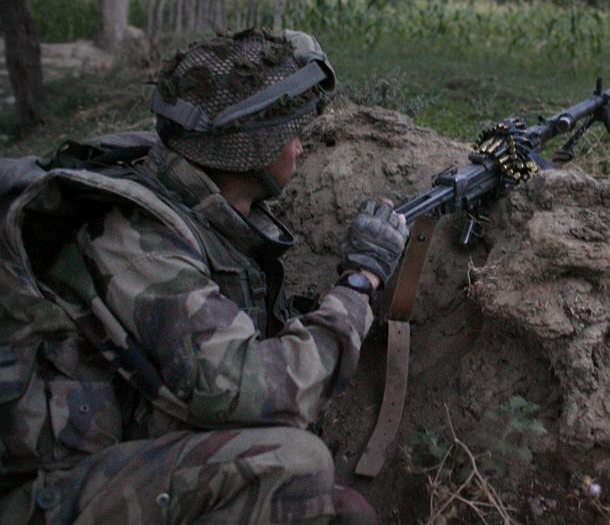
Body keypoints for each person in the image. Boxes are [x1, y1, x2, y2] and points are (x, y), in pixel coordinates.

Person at [0, 28, 408, 524]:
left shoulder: (190, 193)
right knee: (298, 465)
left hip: (125, 446)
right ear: (252, 150)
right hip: (50, 492)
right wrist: (361, 282)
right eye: (289, 135)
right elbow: (251, 390)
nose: (300, 148)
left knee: (345, 508)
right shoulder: (136, 240)